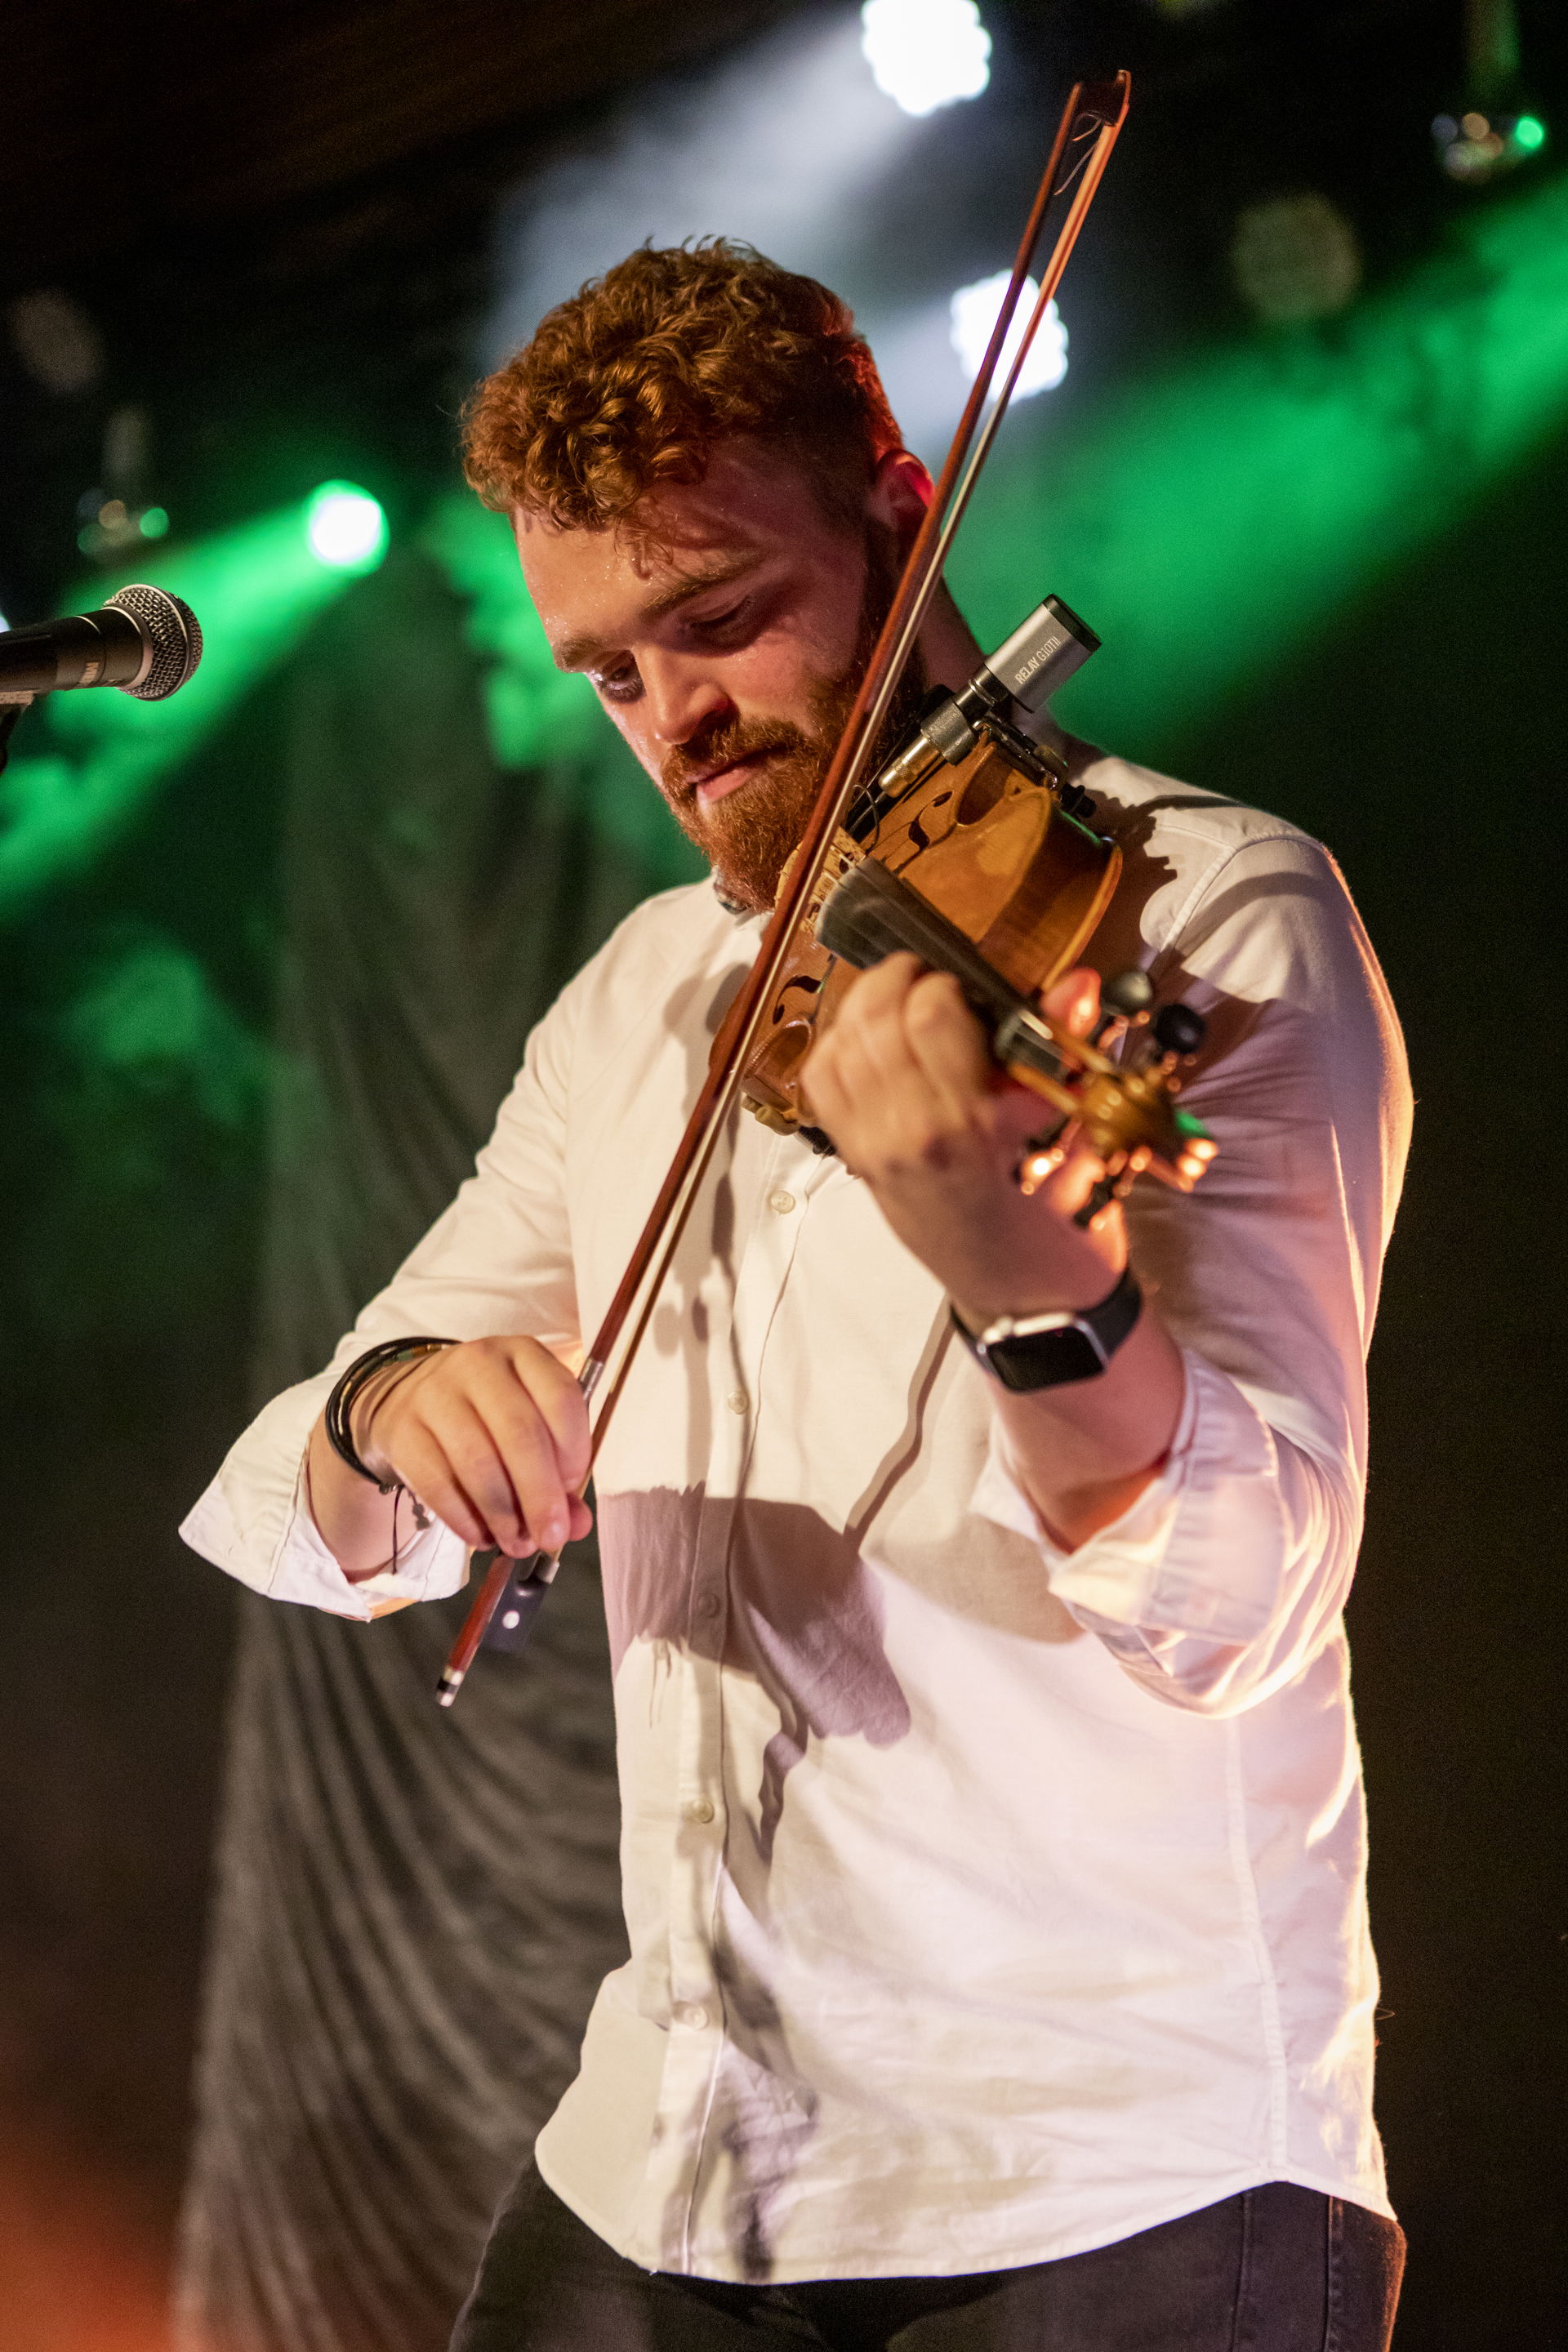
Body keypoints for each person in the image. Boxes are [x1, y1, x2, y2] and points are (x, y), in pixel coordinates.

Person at [182, 241, 1412, 2350]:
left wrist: (1035, 1284)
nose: (673, 723)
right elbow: (285, 1493)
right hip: (666, 2162)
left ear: (901, 510)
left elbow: (1251, 1591)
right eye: (609, 672)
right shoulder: (647, 995)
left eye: (717, 619)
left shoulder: (1203, 914)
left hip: (1113, 2178)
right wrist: (402, 1411)